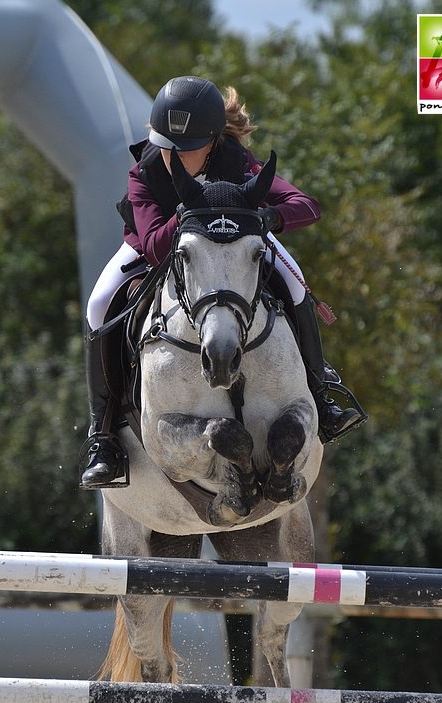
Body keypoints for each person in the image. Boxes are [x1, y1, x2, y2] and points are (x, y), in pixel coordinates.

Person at [81, 75, 366, 489]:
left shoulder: (239, 161)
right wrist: (191, 213)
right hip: (158, 249)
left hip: (234, 247)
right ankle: (103, 437)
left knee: (293, 279)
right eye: (166, 144)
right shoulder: (144, 172)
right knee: (97, 303)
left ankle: (322, 391)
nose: (171, 156)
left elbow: (306, 205)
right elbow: (156, 246)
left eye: (186, 148)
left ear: (214, 140)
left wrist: (269, 217)